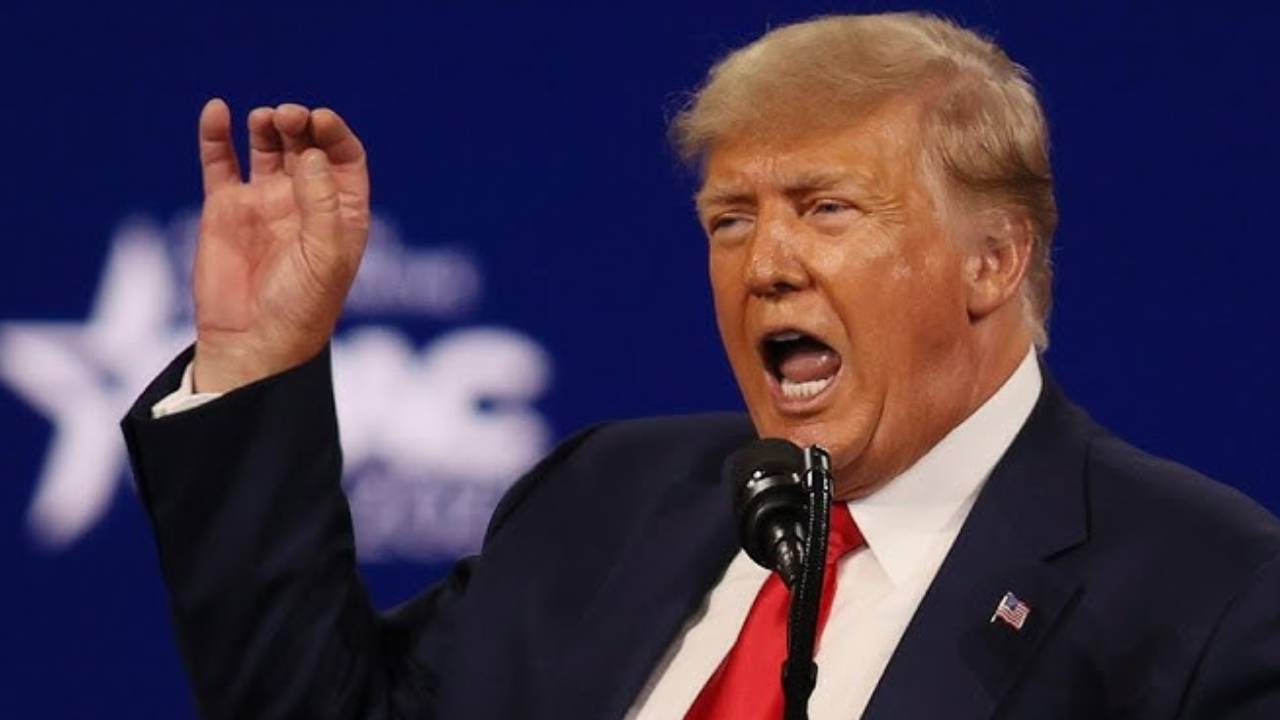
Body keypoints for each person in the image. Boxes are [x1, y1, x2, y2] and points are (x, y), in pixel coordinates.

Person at [122, 12, 1280, 719]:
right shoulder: (603, 499)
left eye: (824, 208)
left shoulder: (1209, 595)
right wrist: (258, 359)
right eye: (729, 219)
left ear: (990, 259)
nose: (763, 265)